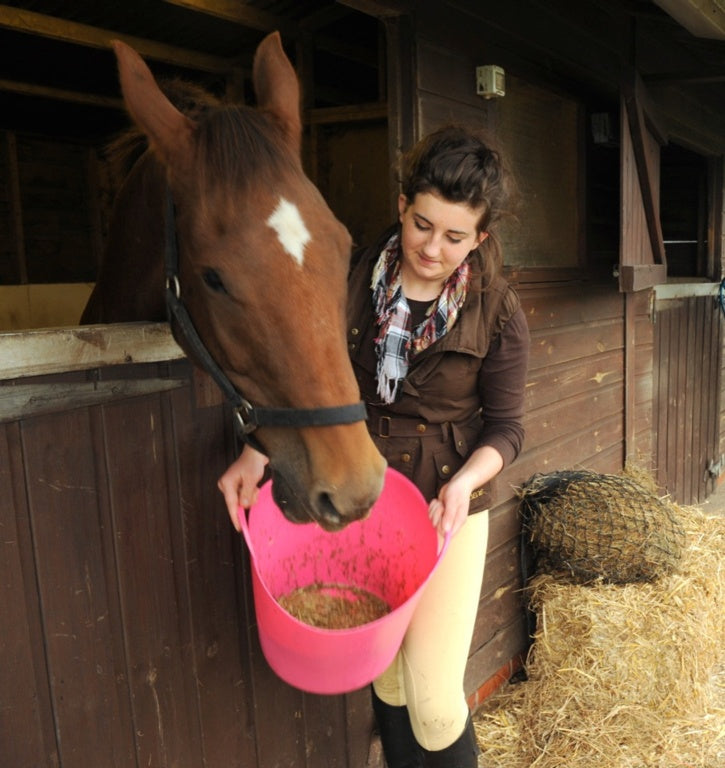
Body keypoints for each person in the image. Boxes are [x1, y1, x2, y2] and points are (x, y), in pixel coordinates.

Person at [218, 123, 530, 768]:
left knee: (436, 699)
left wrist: (466, 482)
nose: (432, 249)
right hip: (371, 493)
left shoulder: (496, 308)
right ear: (401, 207)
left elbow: (506, 428)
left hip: (447, 504)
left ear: (480, 238)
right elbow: (308, 375)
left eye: (454, 236)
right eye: (422, 224)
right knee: (384, 674)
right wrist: (257, 448)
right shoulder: (349, 276)